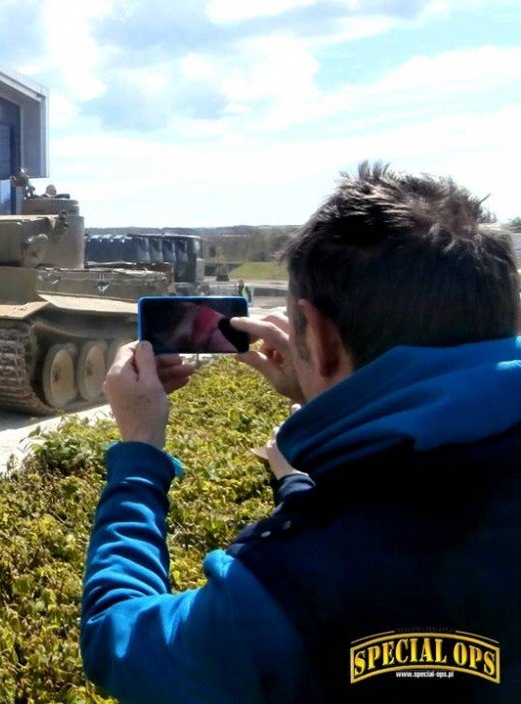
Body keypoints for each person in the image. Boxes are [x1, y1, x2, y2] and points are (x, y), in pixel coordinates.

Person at [81, 162, 521, 702]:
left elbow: (117, 639)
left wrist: (140, 448)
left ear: (313, 330)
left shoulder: (290, 583)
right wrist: (323, 385)